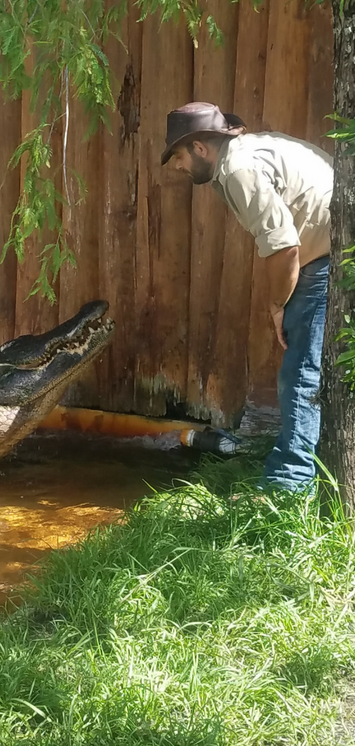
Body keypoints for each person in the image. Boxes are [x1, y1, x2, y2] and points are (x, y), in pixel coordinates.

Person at [161, 101, 334, 492]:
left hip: (326, 256)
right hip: (328, 248)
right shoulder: (246, 153)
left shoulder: (239, 168)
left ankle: (288, 483)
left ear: (201, 147)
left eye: (178, 155)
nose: (177, 166)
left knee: (301, 373)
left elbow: (284, 248)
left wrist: (277, 304)